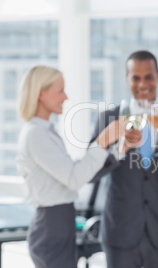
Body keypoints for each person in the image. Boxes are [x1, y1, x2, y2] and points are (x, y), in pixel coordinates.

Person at [16, 65, 125, 268]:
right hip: (52, 227)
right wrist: (103, 140)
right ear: (41, 93)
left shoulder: (46, 131)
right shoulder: (35, 134)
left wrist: (118, 150)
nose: (65, 97)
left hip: (60, 223)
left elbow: (76, 172)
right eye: (60, 91)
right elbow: (74, 179)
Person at [90, 50, 158, 268]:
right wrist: (119, 149)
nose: (143, 84)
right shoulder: (109, 118)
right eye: (136, 77)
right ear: (127, 78)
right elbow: (90, 172)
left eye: (149, 77)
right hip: (120, 230)